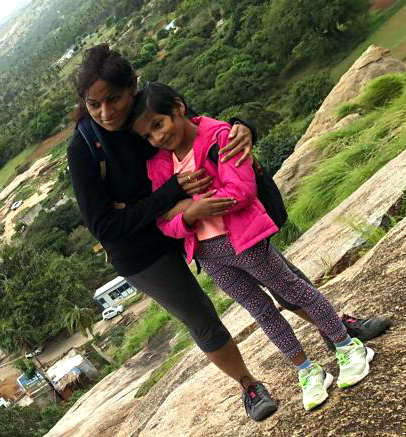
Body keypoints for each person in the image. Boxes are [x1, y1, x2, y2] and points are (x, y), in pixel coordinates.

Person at [67, 44, 390, 420]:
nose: (106, 112)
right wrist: (175, 198)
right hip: (142, 247)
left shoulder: (149, 109)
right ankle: (249, 386)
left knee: (282, 278)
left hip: (200, 219)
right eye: (94, 104)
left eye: (114, 99)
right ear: (84, 104)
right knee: (201, 316)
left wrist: (243, 129)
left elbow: (202, 129)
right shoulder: (85, 149)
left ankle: (338, 331)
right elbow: (105, 226)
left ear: (132, 87)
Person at [132, 82, 374, 410]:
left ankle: (347, 346)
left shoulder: (219, 137)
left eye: (159, 124)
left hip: (244, 239)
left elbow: (242, 190)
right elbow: (164, 221)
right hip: (208, 254)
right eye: (148, 135)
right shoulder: (159, 165)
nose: (157, 138)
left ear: (178, 107)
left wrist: (193, 205)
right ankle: (307, 370)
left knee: (292, 291)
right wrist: (189, 215)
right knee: (259, 311)